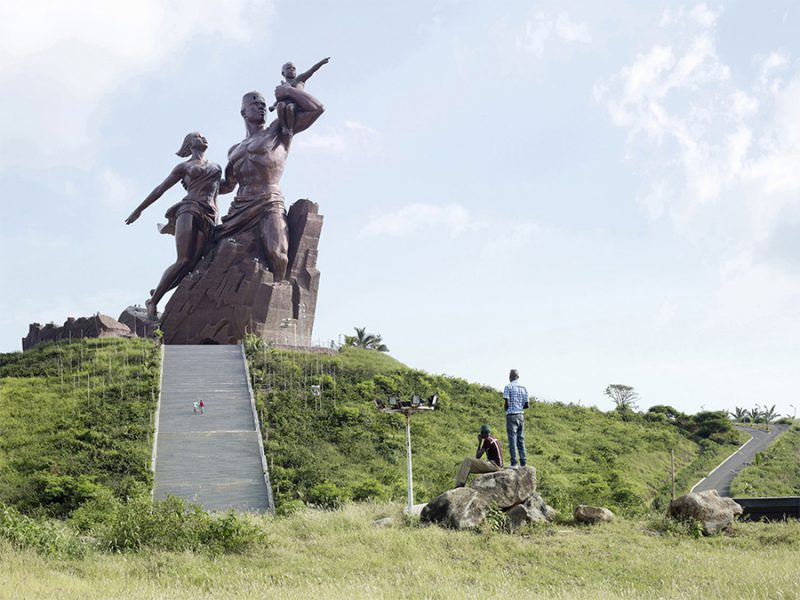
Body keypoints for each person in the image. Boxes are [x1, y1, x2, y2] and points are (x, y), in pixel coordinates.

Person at [217, 85, 324, 282]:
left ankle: (276, 293)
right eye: (256, 104)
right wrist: (200, 184)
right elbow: (228, 185)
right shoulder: (234, 150)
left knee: (277, 254)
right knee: (214, 252)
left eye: (264, 106)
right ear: (243, 111)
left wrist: (289, 92)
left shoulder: (278, 130)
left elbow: (317, 109)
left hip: (269, 201)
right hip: (239, 208)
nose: (261, 108)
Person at [125, 132, 221, 319]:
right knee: (184, 260)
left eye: (204, 136)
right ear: (189, 144)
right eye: (197, 136)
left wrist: (216, 220)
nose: (203, 138)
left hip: (209, 215)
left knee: (193, 264)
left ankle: (159, 290)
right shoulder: (184, 166)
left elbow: (216, 195)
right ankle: (154, 302)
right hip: (189, 209)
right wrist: (139, 209)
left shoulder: (217, 167)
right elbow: (160, 189)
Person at [269, 57, 330, 138]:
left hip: (297, 106)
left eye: (293, 68)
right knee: (281, 105)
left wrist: (320, 63)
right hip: (284, 105)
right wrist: (273, 107)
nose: (291, 70)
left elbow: (311, 71)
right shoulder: (282, 86)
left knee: (290, 107)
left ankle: (290, 129)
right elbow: (278, 100)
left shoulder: (300, 79)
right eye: (288, 68)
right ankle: (284, 127)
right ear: (283, 73)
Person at [503, 369, 528, 468]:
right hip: (521, 415)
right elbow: (526, 404)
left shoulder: (508, 387)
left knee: (512, 439)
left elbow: (507, 403)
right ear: (518, 376)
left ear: (510, 376)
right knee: (521, 439)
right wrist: (519, 406)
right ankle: (523, 462)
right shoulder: (524, 388)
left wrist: (506, 409)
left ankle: (514, 462)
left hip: (511, 415)